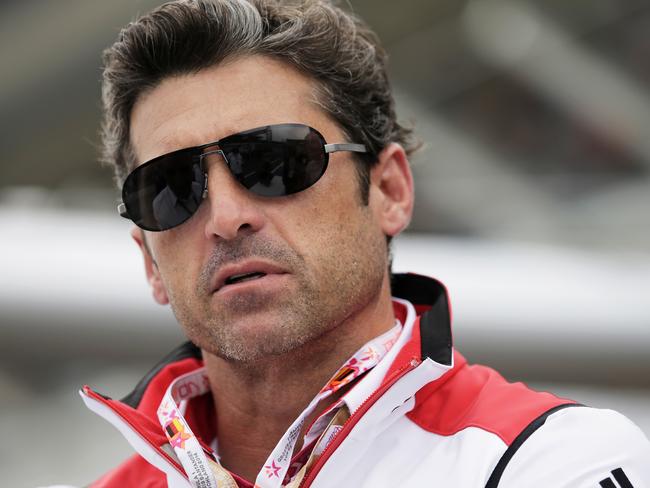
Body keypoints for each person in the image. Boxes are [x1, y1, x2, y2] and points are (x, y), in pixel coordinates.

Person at [78, 1, 650, 487]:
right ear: (148, 259)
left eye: (274, 161)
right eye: (173, 189)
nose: (226, 218)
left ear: (389, 190)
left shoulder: (555, 463)